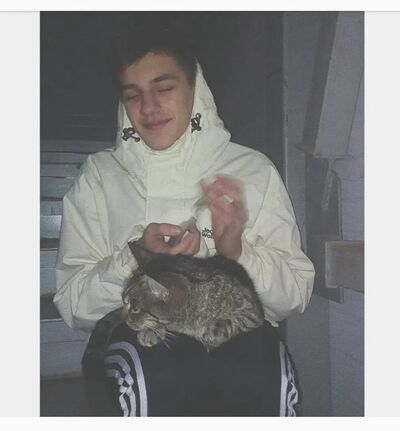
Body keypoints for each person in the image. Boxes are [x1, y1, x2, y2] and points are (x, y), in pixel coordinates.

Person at [54, 25, 315, 417]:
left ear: (196, 88)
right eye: (133, 95)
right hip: (137, 341)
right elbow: (74, 306)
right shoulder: (99, 177)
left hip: (236, 341)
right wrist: (136, 258)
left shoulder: (253, 169)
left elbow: (294, 296)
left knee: (273, 379)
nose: (148, 107)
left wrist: (237, 253)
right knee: (150, 378)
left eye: (163, 88)